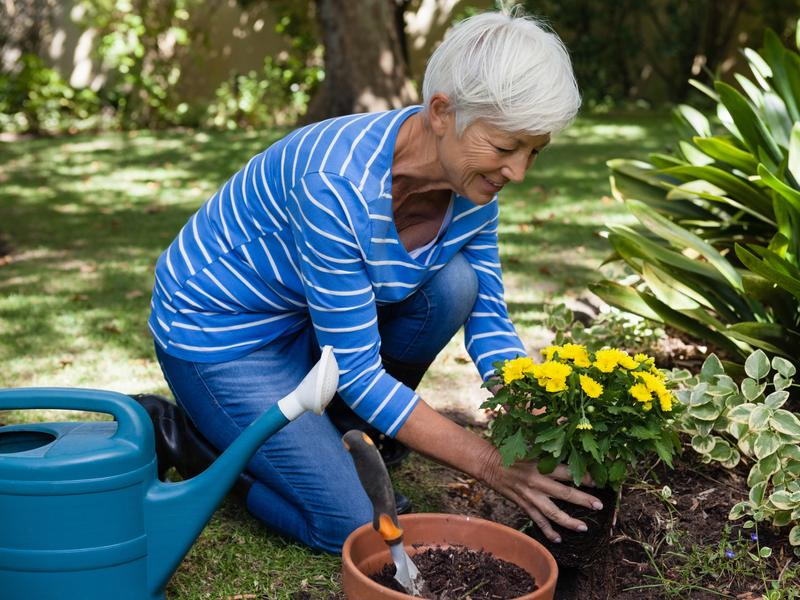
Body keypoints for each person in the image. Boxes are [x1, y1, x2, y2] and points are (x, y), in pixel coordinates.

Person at [147, 9, 602, 553]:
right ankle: (200, 444)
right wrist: (490, 463)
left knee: (456, 286)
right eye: (506, 148)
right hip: (222, 337)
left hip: (307, 320)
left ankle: (348, 436)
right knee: (356, 525)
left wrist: (529, 398)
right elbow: (358, 371)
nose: (519, 172)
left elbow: (489, 319)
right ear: (441, 113)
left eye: (534, 150)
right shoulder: (333, 183)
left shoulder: (473, 188)